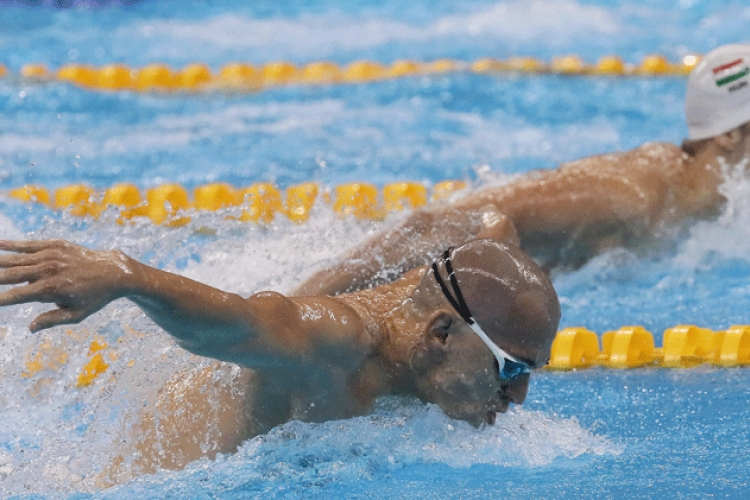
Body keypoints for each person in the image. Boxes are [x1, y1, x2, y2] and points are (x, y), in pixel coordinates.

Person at [0, 237, 559, 480]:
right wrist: (128, 277)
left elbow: (485, 233)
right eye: (510, 369)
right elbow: (240, 324)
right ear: (440, 335)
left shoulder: (432, 320)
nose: (517, 399)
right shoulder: (337, 344)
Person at [294, 43, 750, 297]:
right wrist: (296, 307)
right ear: (728, 134)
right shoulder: (630, 195)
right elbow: (433, 225)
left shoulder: (709, 203)